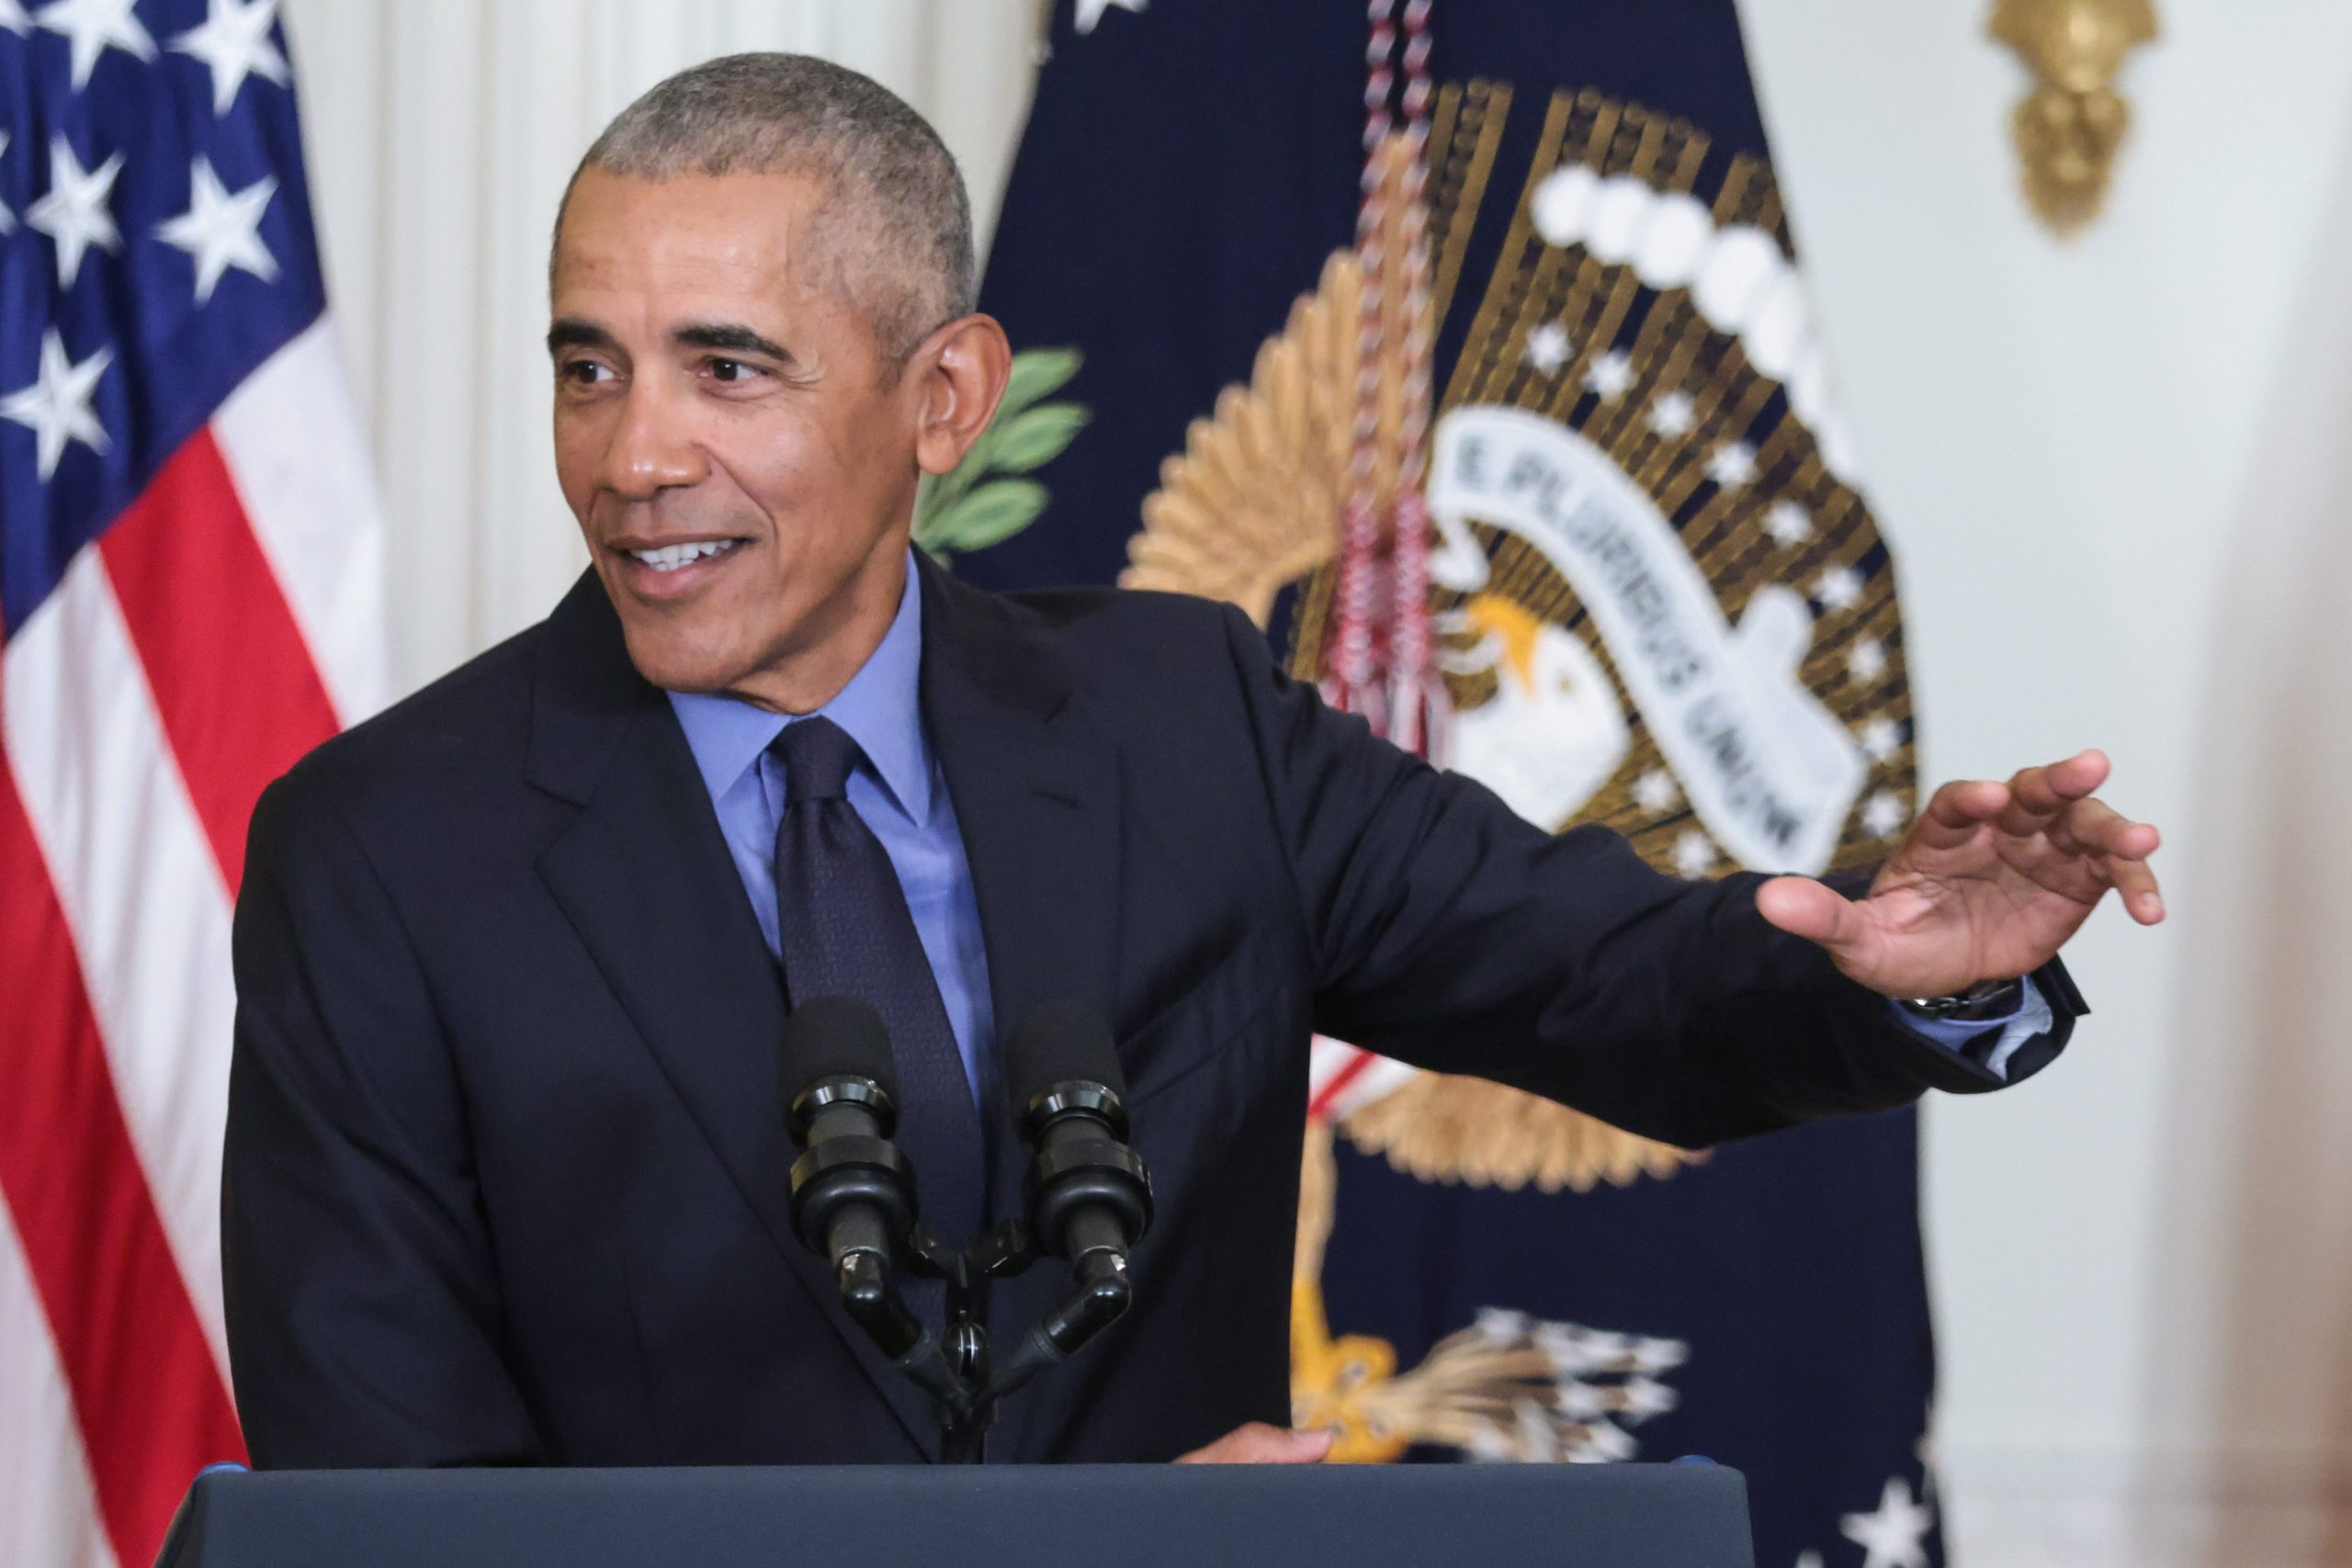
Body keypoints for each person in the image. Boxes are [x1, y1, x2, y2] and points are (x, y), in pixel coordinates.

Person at [222, 54, 2160, 1470]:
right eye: (589, 364)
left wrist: (1906, 961)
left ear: (946, 398)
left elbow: (1602, 976)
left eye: (726, 367)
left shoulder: (1180, 715)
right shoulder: (380, 854)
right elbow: (391, 1508)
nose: (631, 453)